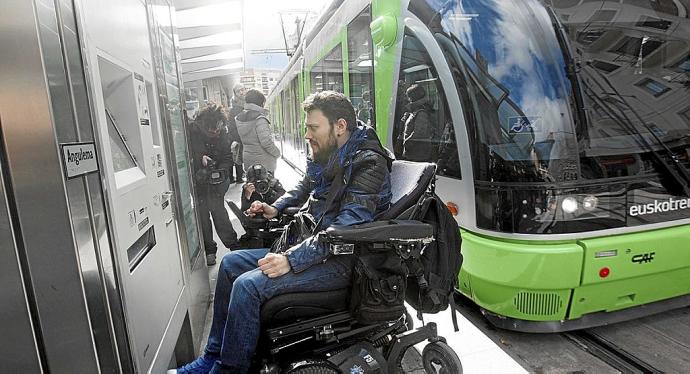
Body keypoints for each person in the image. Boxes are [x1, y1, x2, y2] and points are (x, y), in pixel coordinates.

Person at [171, 91, 393, 374]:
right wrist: (274, 207)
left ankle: (230, 369)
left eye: (313, 127)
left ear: (339, 126)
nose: (307, 134)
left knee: (247, 285)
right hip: (313, 248)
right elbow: (303, 188)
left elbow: (346, 229)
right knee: (229, 264)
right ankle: (212, 357)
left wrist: (292, 260)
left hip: (344, 260)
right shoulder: (329, 153)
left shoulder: (369, 163)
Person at [190, 103, 241, 266]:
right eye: (212, 131)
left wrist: (222, 171)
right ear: (204, 126)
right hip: (198, 179)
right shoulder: (192, 131)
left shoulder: (222, 132)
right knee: (203, 215)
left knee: (219, 212)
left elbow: (227, 156)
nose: (215, 133)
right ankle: (209, 250)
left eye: (218, 130)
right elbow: (183, 153)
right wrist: (200, 159)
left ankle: (233, 245)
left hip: (218, 179)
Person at [237, 163, 286, 248]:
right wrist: (247, 197)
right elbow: (244, 213)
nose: (259, 184)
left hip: (276, 220)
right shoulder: (248, 188)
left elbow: (284, 201)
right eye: (255, 182)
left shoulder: (274, 183)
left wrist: (270, 191)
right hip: (258, 222)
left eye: (262, 181)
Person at [235, 89, 281, 173]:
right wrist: (277, 153)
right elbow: (266, 142)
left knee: (252, 185)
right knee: (267, 185)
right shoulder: (260, 119)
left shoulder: (239, 118)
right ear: (260, 103)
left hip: (248, 161)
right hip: (264, 163)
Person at [398, 84, 434, 162]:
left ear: (413, 97)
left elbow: (419, 133)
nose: (408, 99)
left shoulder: (421, 113)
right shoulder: (415, 111)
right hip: (414, 153)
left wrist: (407, 143)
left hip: (417, 155)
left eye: (409, 97)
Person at [228, 84, 246, 183]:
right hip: (238, 137)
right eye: (239, 91)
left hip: (244, 136)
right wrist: (238, 137)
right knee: (238, 155)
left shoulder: (247, 103)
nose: (242, 92)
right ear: (235, 93)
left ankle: (240, 175)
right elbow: (232, 126)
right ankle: (239, 177)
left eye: (243, 89)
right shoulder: (234, 108)